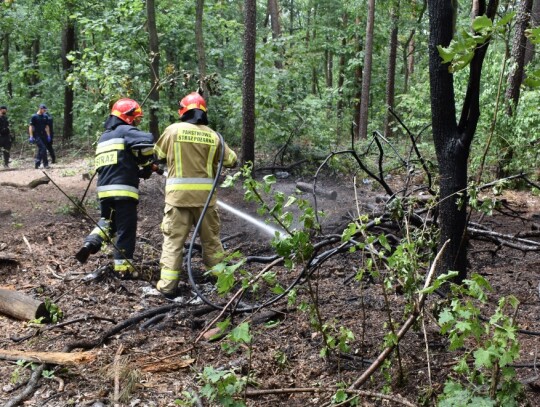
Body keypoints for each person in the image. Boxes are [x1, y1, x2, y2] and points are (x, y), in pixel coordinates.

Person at [154, 92, 237, 298]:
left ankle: (167, 287)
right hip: (206, 202)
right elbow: (232, 160)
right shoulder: (213, 135)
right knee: (211, 242)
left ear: (183, 111)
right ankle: (222, 283)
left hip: (177, 200)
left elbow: (158, 155)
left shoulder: (173, 130)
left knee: (173, 242)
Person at [75, 98, 155, 279]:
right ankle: (123, 269)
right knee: (126, 229)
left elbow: (121, 160)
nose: (136, 122)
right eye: (135, 118)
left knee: (108, 221)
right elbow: (147, 141)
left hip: (104, 191)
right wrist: (148, 164)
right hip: (123, 191)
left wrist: (137, 165)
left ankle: (91, 243)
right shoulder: (126, 131)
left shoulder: (104, 137)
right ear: (127, 117)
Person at [29, 103, 52, 169]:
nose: (45, 111)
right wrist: (31, 136)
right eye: (44, 110)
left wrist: (48, 135)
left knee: (42, 149)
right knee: (43, 148)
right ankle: (38, 162)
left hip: (44, 135)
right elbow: (31, 126)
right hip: (37, 135)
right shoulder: (34, 116)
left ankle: (44, 164)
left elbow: (47, 126)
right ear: (40, 109)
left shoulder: (45, 116)